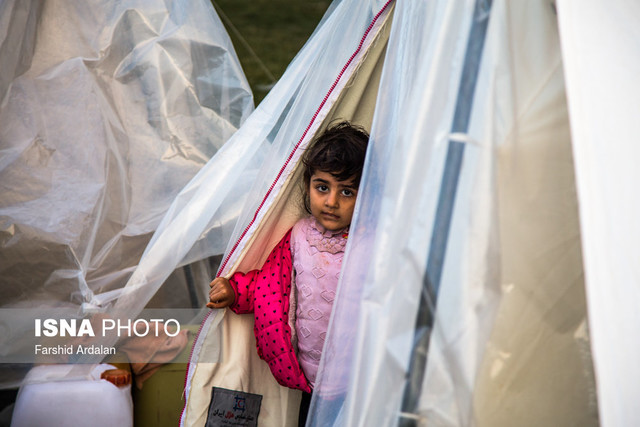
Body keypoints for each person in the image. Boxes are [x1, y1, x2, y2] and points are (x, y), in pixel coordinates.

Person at [206, 121, 369, 425]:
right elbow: (269, 284)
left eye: (347, 192)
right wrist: (235, 291)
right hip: (309, 379)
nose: (332, 202)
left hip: (358, 380)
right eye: (322, 187)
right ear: (308, 185)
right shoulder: (298, 237)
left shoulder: (372, 243)